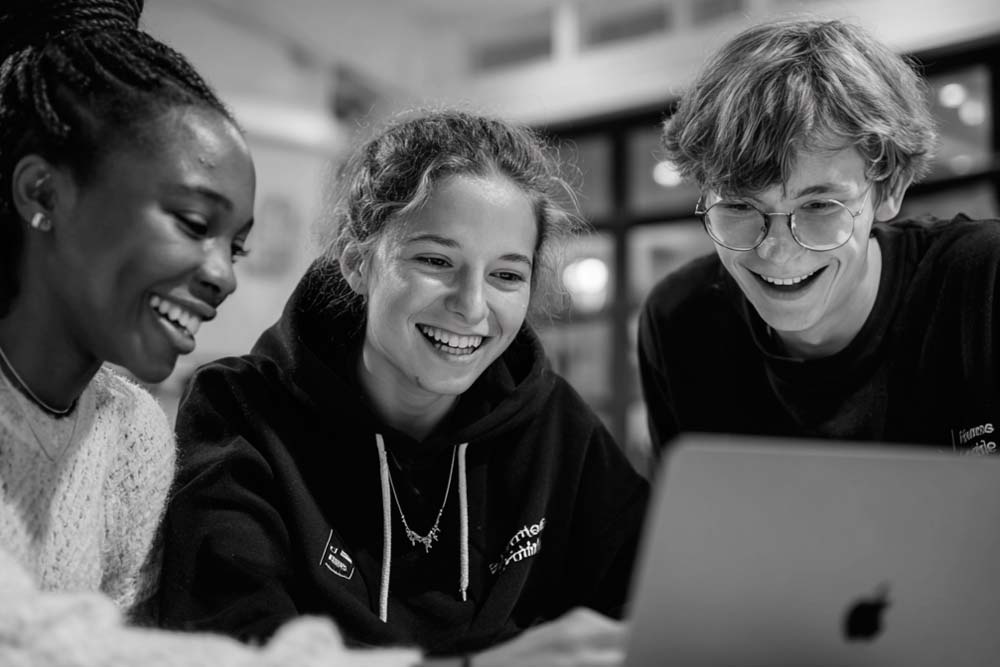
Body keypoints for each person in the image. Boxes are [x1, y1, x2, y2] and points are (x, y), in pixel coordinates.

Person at [159, 110, 650, 665]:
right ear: (356, 262)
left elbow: (657, 597)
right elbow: (229, 649)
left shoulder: (555, 423)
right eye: (436, 261)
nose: (471, 306)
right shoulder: (239, 412)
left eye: (507, 275)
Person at [638, 18, 999, 458]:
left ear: (889, 191)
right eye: (738, 206)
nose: (775, 248)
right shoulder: (681, 323)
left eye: (819, 206)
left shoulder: (981, 284)